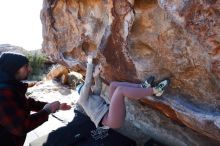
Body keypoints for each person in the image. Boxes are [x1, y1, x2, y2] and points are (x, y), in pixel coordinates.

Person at [77, 56, 170, 129]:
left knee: (113, 85)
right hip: (112, 120)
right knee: (120, 91)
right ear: (82, 92)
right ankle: (155, 91)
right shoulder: (83, 100)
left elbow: (98, 86)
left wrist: (96, 75)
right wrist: (89, 63)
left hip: (111, 113)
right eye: (85, 90)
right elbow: (87, 84)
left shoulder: (92, 96)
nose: (88, 89)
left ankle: (141, 87)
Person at [0, 52, 71, 146]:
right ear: (13, 68)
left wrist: (57, 107)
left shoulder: (10, 86)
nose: (30, 69)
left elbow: (27, 103)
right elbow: (21, 127)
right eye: (26, 66)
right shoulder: (3, 94)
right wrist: (47, 110)